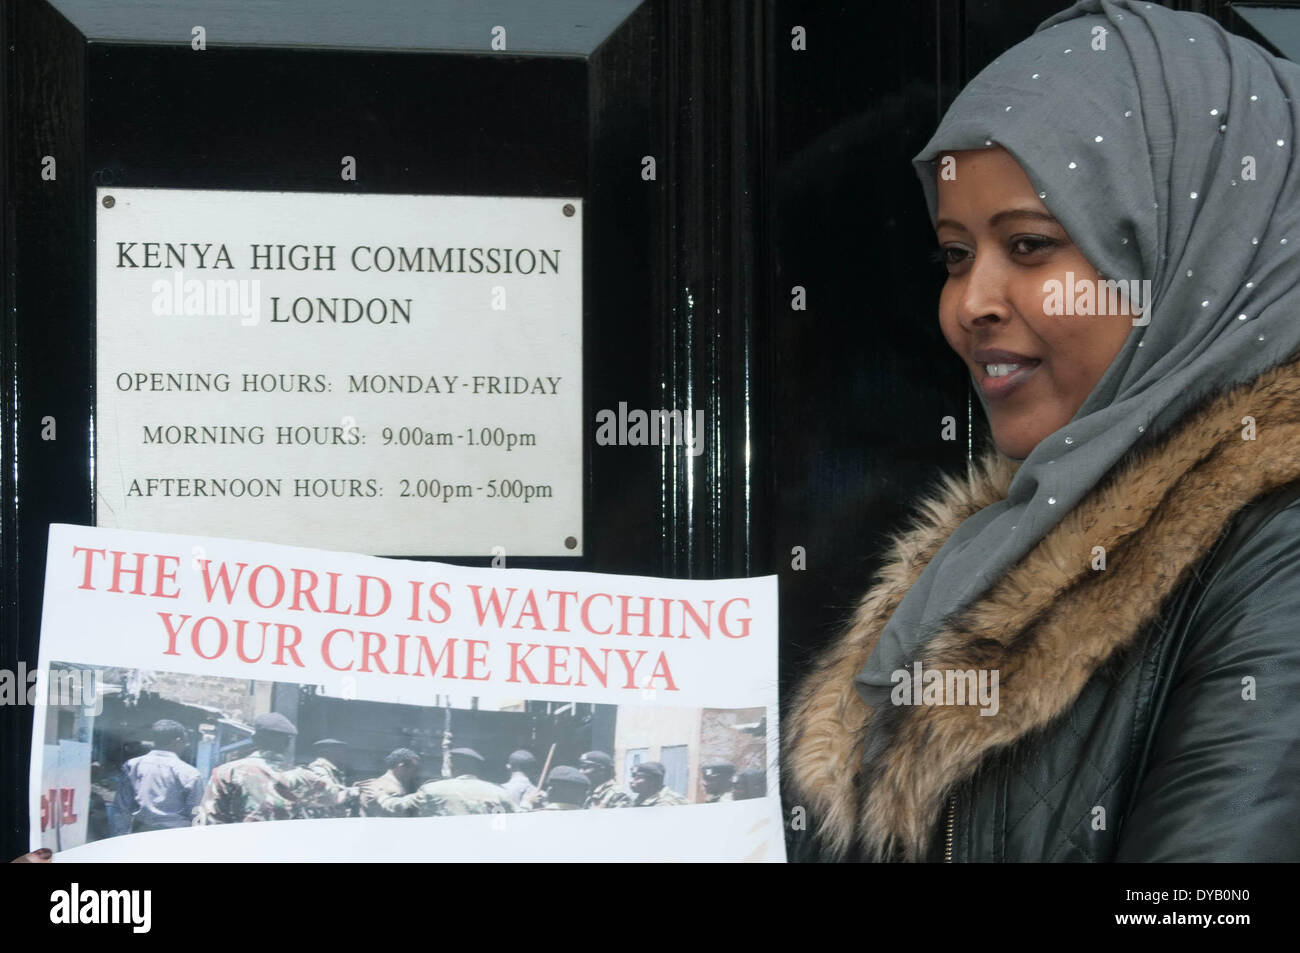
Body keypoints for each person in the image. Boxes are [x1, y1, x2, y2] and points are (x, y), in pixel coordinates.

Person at [784, 0, 1300, 862]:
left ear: (1185, 252)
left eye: (1028, 245)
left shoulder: (1280, 554)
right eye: (955, 254)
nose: (969, 304)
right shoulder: (996, 548)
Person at [193, 712, 303, 824]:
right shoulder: (304, 777)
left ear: (255, 739)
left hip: (241, 840)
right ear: (288, 743)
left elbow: (210, 820)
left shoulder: (226, 773)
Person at [114, 719, 203, 833]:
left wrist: (120, 835)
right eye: (185, 742)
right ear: (177, 741)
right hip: (175, 836)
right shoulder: (190, 773)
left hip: (139, 833)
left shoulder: (132, 765)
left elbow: (122, 807)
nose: (185, 746)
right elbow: (195, 813)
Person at [376, 748, 516, 816]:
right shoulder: (499, 793)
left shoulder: (433, 790)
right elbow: (503, 827)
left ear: (452, 765)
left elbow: (399, 807)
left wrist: (381, 797)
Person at [289, 739, 360, 819]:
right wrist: (350, 792)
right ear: (329, 753)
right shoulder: (319, 769)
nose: (345, 756)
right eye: (341, 752)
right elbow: (330, 796)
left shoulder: (332, 770)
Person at [358, 748, 422, 817]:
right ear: (401, 766)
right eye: (414, 768)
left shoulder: (372, 784)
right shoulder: (394, 789)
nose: (416, 773)